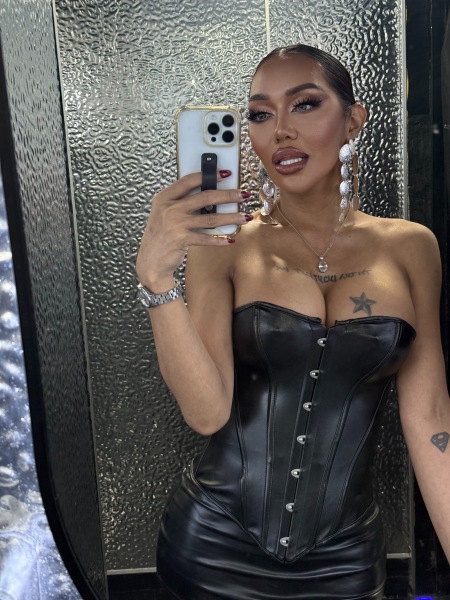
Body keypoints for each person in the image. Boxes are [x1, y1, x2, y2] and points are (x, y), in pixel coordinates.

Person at [136, 44, 450, 600]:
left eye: (305, 104)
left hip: (346, 558)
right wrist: (158, 279)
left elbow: (431, 421)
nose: (280, 130)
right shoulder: (224, 243)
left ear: (353, 119)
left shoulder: (411, 248)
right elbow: (206, 413)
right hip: (213, 550)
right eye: (260, 114)